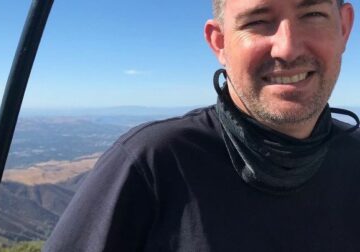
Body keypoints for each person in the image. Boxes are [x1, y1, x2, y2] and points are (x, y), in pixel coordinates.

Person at [44, 0, 359, 251]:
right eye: (257, 21)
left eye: (313, 14)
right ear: (220, 43)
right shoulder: (153, 164)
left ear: (344, 28)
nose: (288, 48)